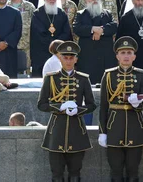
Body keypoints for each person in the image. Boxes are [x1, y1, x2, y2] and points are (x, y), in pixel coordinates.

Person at [37, 41, 96, 182]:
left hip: (77, 129)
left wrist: (78, 109)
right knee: (56, 174)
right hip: (56, 129)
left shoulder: (83, 79)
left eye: (71, 57)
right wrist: (60, 107)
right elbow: (41, 104)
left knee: (75, 173)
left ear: (76, 59)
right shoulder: (51, 78)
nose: (68, 61)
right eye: (65, 57)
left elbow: (92, 105)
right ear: (60, 58)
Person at [97, 36, 143, 180]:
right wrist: (102, 132)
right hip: (114, 127)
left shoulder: (141, 75)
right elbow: (103, 106)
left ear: (134, 56)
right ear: (117, 56)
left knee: (133, 170)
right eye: (123, 53)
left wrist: (137, 104)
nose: (126, 56)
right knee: (115, 171)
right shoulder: (109, 75)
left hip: (135, 127)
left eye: (129, 53)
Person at [73, 0, 118, 85]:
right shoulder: (81, 14)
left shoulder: (107, 13)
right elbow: (77, 28)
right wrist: (93, 29)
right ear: (85, 0)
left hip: (106, 55)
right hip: (88, 56)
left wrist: (101, 30)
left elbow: (114, 26)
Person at [30, 0, 72, 77]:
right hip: (42, 52)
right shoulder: (37, 14)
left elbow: (66, 32)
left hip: (60, 52)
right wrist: (53, 45)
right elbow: (38, 33)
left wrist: (57, 45)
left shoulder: (61, 13)